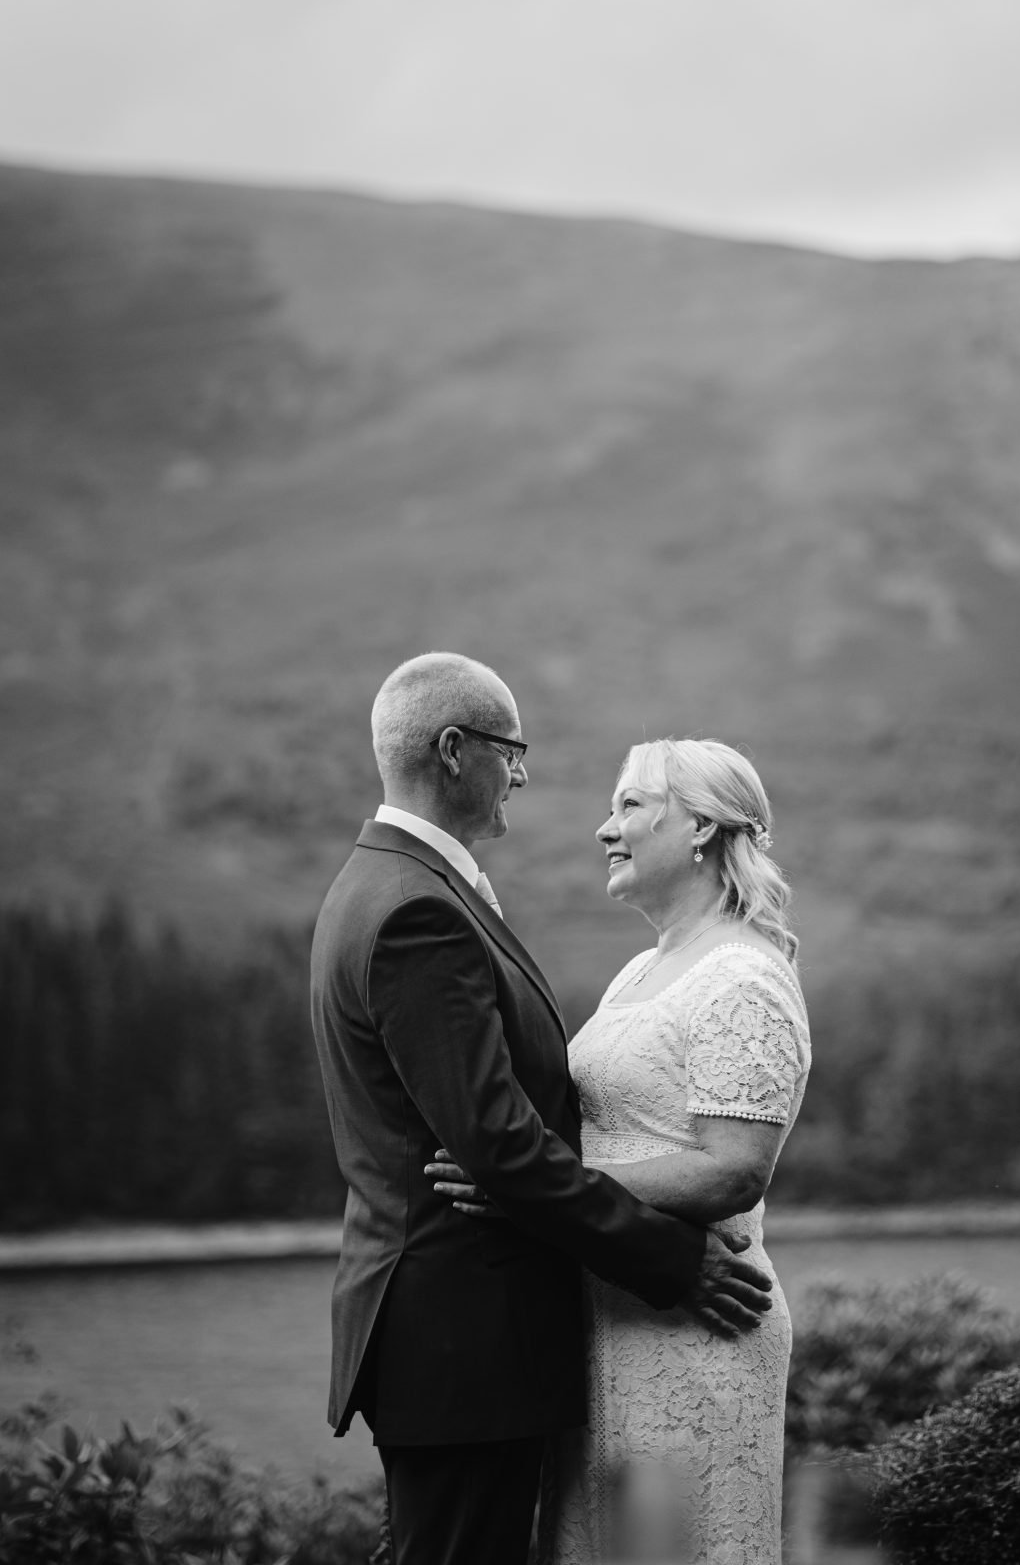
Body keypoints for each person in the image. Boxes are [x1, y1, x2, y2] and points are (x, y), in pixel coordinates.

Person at [309, 655, 773, 1565]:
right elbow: (497, 1145)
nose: (521, 773)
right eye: (510, 750)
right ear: (454, 751)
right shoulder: (416, 910)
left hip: (458, 1339)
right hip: (463, 1336)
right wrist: (673, 1261)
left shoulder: (387, 885)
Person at [430, 736, 810, 1565]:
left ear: (704, 827)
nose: (606, 828)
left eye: (630, 806)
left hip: (696, 1327)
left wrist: (530, 1188)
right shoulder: (643, 968)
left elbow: (732, 1169)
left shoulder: (743, 975)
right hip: (608, 1317)